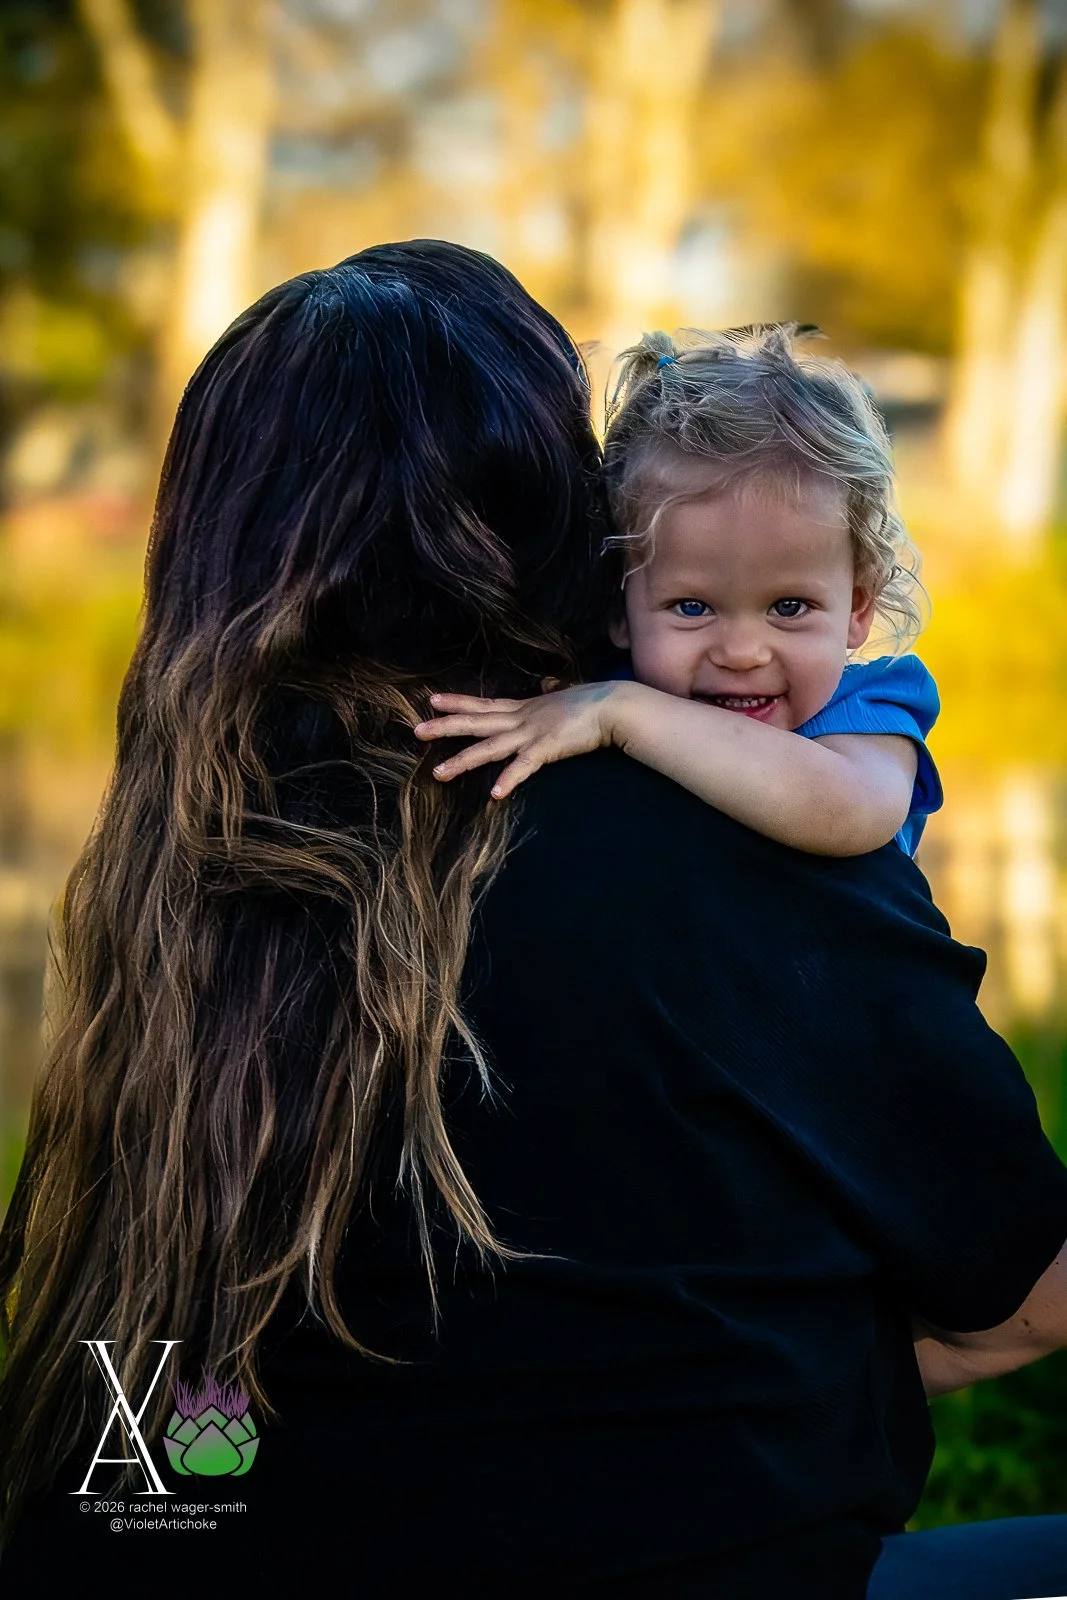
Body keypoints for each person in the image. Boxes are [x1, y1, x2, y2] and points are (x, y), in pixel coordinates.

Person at [1, 244, 1067, 1600]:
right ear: (565, 531)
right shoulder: (726, 835)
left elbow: (139, 1444)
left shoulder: (170, 904)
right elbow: (1026, 1296)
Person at [414, 324, 942, 860]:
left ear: (858, 607)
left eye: (789, 607)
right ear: (618, 605)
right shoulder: (595, 690)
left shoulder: (868, 712)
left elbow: (846, 813)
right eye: (693, 607)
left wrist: (618, 713)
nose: (741, 653)